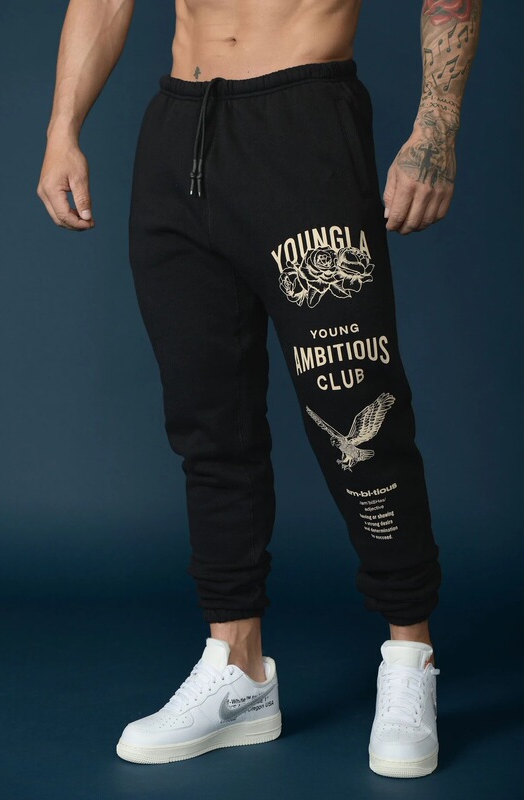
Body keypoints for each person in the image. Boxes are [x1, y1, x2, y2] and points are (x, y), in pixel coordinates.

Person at [37, 0, 482, 779]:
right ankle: (237, 668)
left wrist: (435, 129)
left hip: (303, 123)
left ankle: (409, 657)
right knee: (207, 420)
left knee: (358, 420)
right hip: (178, 136)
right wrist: (61, 129)